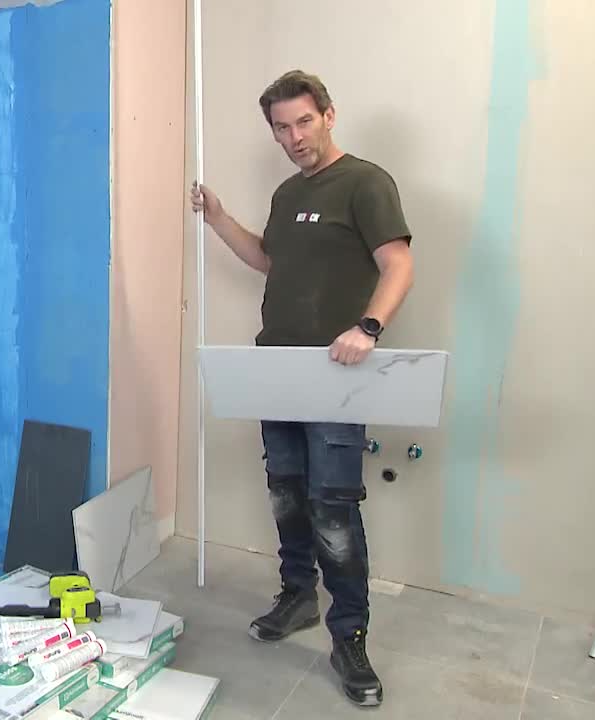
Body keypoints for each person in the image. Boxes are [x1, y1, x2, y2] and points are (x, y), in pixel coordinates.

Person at [190, 69, 414, 707]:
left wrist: (368, 327)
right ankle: (297, 598)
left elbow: (398, 263)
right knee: (286, 493)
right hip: (276, 369)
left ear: (329, 115)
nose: (295, 137)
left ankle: (350, 637)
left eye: (304, 122)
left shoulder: (366, 183)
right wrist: (219, 218)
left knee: (333, 508)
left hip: (336, 375)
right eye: (282, 127)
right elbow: (269, 259)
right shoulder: (287, 194)